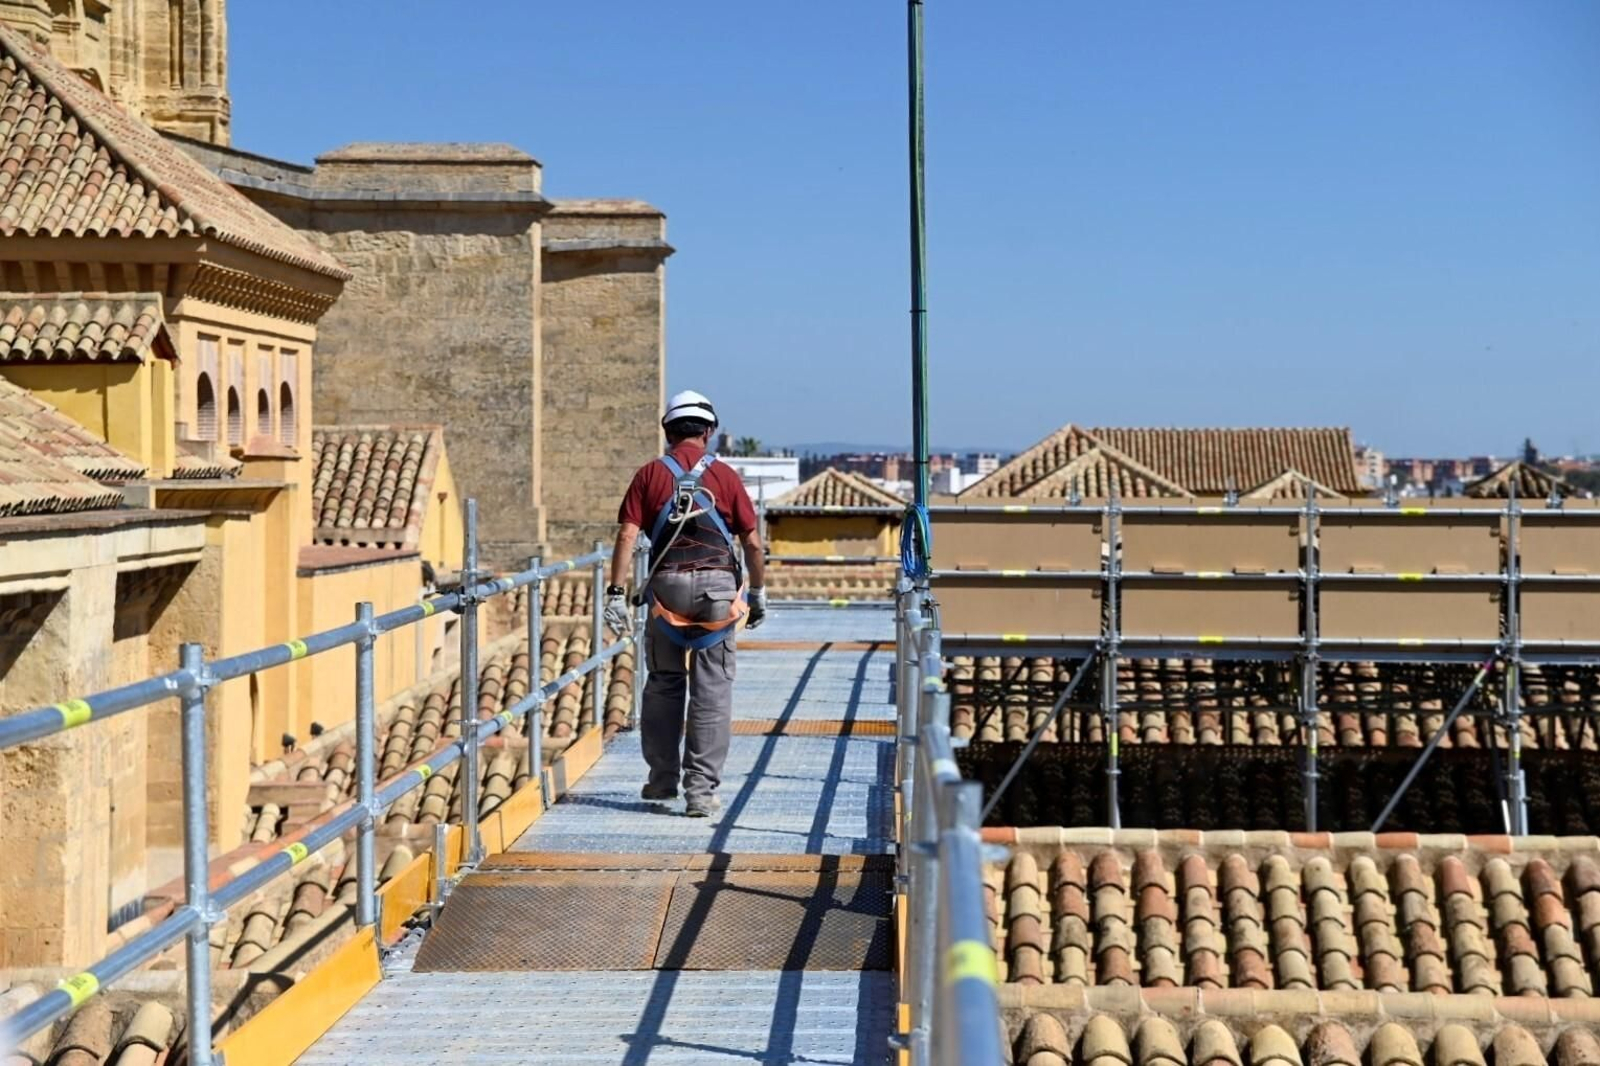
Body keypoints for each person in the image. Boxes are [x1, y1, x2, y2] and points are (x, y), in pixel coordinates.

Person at [603, 390, 767, 817]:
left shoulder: (649, 475)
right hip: (717, 593)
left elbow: (627, 535)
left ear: (667, 432)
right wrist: (758, 592)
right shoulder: (725, 476)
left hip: (666, 592)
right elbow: (752, 542)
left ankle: (661, 781)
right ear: (708, 432)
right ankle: (700, 792)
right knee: (712, 691)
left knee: (663, 684)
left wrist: (616, 593)